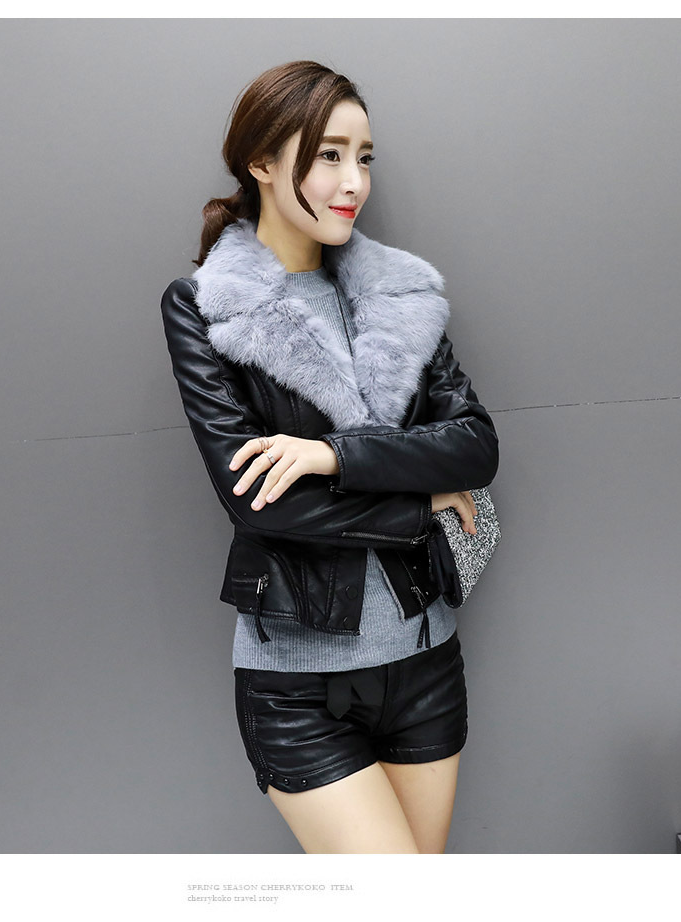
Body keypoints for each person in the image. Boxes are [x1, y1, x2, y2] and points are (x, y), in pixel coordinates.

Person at [160, 60, 499, 854]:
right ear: (263, 162)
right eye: (329, 155)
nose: (354, 182)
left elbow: (474, 446)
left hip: (426, 664)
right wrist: (419, 503)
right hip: (297, 684)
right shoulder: (204, 306)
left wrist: (331, 456)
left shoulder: (401, 294)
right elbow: (258, 502)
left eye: (365, 158)